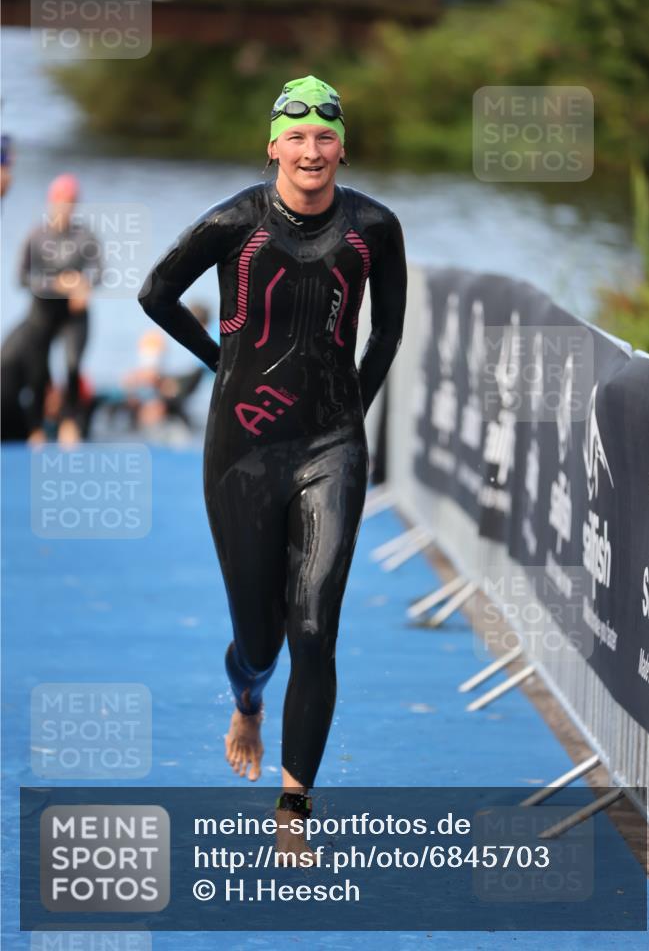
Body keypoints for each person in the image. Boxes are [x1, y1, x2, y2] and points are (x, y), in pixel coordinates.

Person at [139, 75, 407, 853]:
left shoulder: (374, 227)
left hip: (332, 445)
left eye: (325, 136)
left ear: (342, 146)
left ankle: (294, 805)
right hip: (244, 450)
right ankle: (247, 698)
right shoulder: (235, 222)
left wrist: (351, 410)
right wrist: (219, 360)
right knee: (259, 640)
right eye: (297, 137)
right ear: (273, 147)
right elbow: (156, 293)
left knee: (315, 626)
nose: (312, 150)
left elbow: (386, 332)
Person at [1, 173, 102, 445]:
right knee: (37, 370)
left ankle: (69, 423)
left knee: (71, 365)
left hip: (73, 316)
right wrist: (58, 283)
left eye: (71, 201)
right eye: (61, 201)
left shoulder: (85, 237)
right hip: (42, 313)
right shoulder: (37, 235)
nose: (65, 207)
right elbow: (21, 278)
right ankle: (35, 430)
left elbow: (100, 272)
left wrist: (85, 284)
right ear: (51, 202)